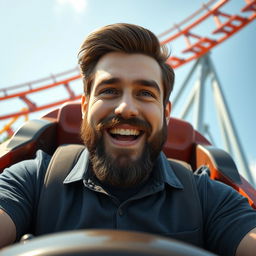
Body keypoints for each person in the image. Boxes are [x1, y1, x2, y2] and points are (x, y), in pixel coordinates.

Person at [0, 23, 256, 256]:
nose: (126, 108)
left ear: (166, 114)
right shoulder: (33, 180)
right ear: (85, 107)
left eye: (145, 93)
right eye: (109, 90)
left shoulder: (208, 198)